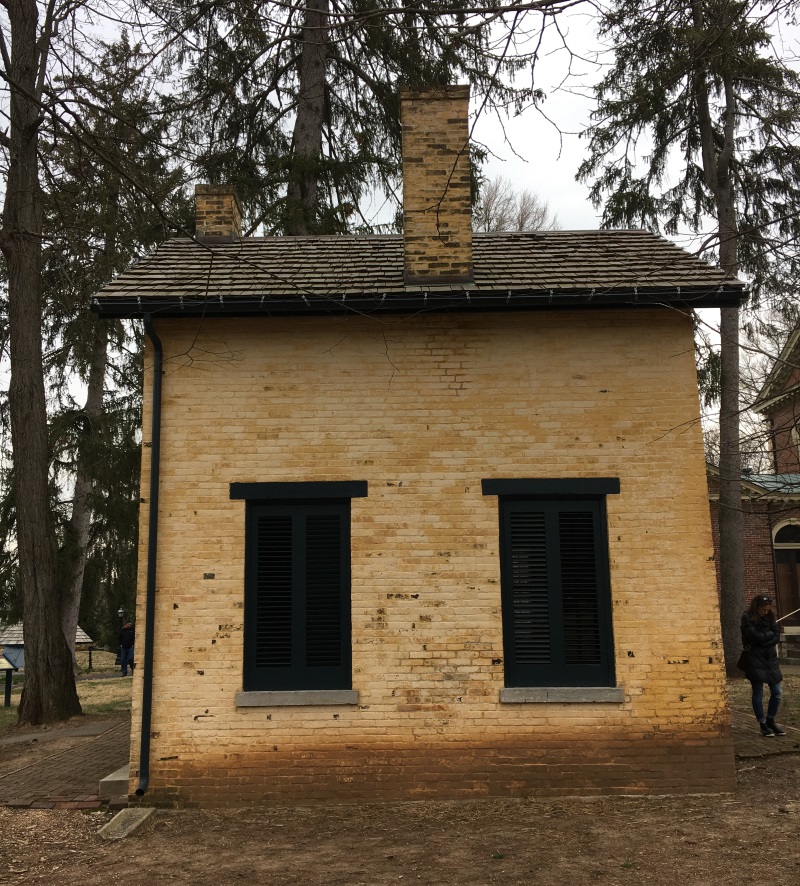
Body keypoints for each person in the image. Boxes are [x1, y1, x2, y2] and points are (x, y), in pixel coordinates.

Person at [740, 594, 786, 737]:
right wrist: (768, 636)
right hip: (754, 659)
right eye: (763, 609)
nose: (765, 612)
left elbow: (776, 636)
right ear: (757, 607)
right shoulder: (747, 617)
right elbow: (753, 636)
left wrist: (765, 639)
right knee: (758, 693)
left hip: (770, 659)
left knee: (777, 692)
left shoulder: (770, 617)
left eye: (767, 609)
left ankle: (771, 719)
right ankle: (762, 723)